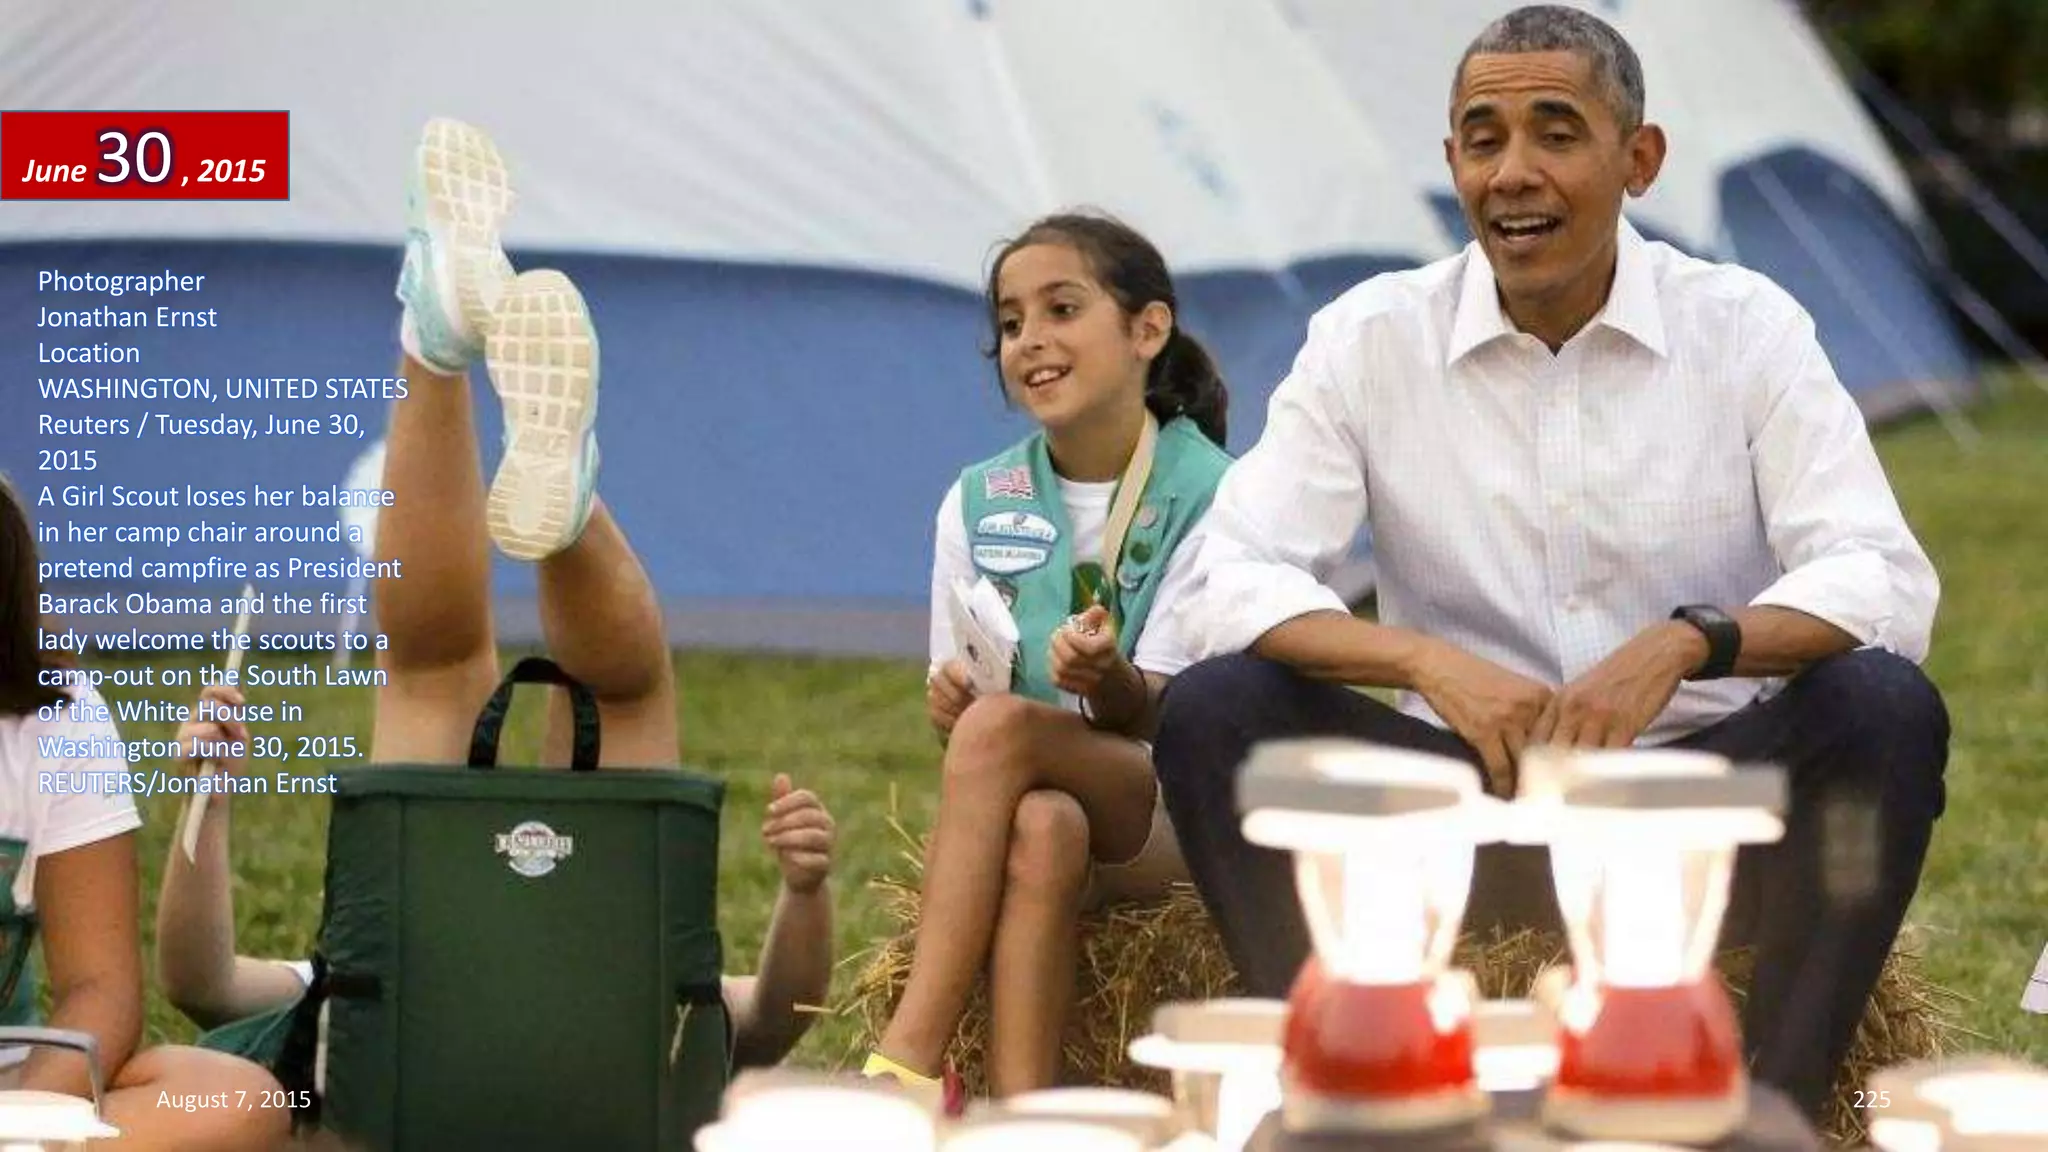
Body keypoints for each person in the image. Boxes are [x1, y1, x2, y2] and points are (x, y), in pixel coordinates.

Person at [1150, 4, 1949, 1121]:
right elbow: (1219, 583)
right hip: (1446, 828)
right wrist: (1421, 661)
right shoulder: (1370, 337)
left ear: (1639, 159)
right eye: (1482, 139)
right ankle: (1351, 1094)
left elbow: (1878, 576)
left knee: (1880, 708)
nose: (1513, 173)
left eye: (1555, 132)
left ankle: (1770, 1112)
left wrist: (1690, 642)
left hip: (1698, 831)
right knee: (1214, 710)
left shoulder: (1745, 328)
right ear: (1449, 164)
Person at [149, 117, 834, 1076]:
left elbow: (203, 982)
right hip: (590, 1015)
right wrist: (804, 894)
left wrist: (206, 800)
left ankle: (459, 369)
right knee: (510, 684)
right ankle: (516, 449)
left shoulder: (361, 1014)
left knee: (466, 678)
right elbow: (770, 1023)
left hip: (413, 1012)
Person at [863, 212, 1233, 1099]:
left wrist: (1104, 682)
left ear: (1149, 329)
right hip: (1050, 799)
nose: (1030, 340)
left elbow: (1181, 718)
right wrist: (951, 704)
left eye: (1061, 309)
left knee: (999, 736)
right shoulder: (976, 500)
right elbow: (964, 694)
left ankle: (909, 1057)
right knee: (1040, 825)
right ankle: (1018, 1114)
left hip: (1174, 809)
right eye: (1010, 322)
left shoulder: (1217, 493)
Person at [0, 477, 288, 1151]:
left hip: (11, 1092)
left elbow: (100, 991)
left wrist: (25, 1119)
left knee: (232, 1096)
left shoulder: (59, 713)